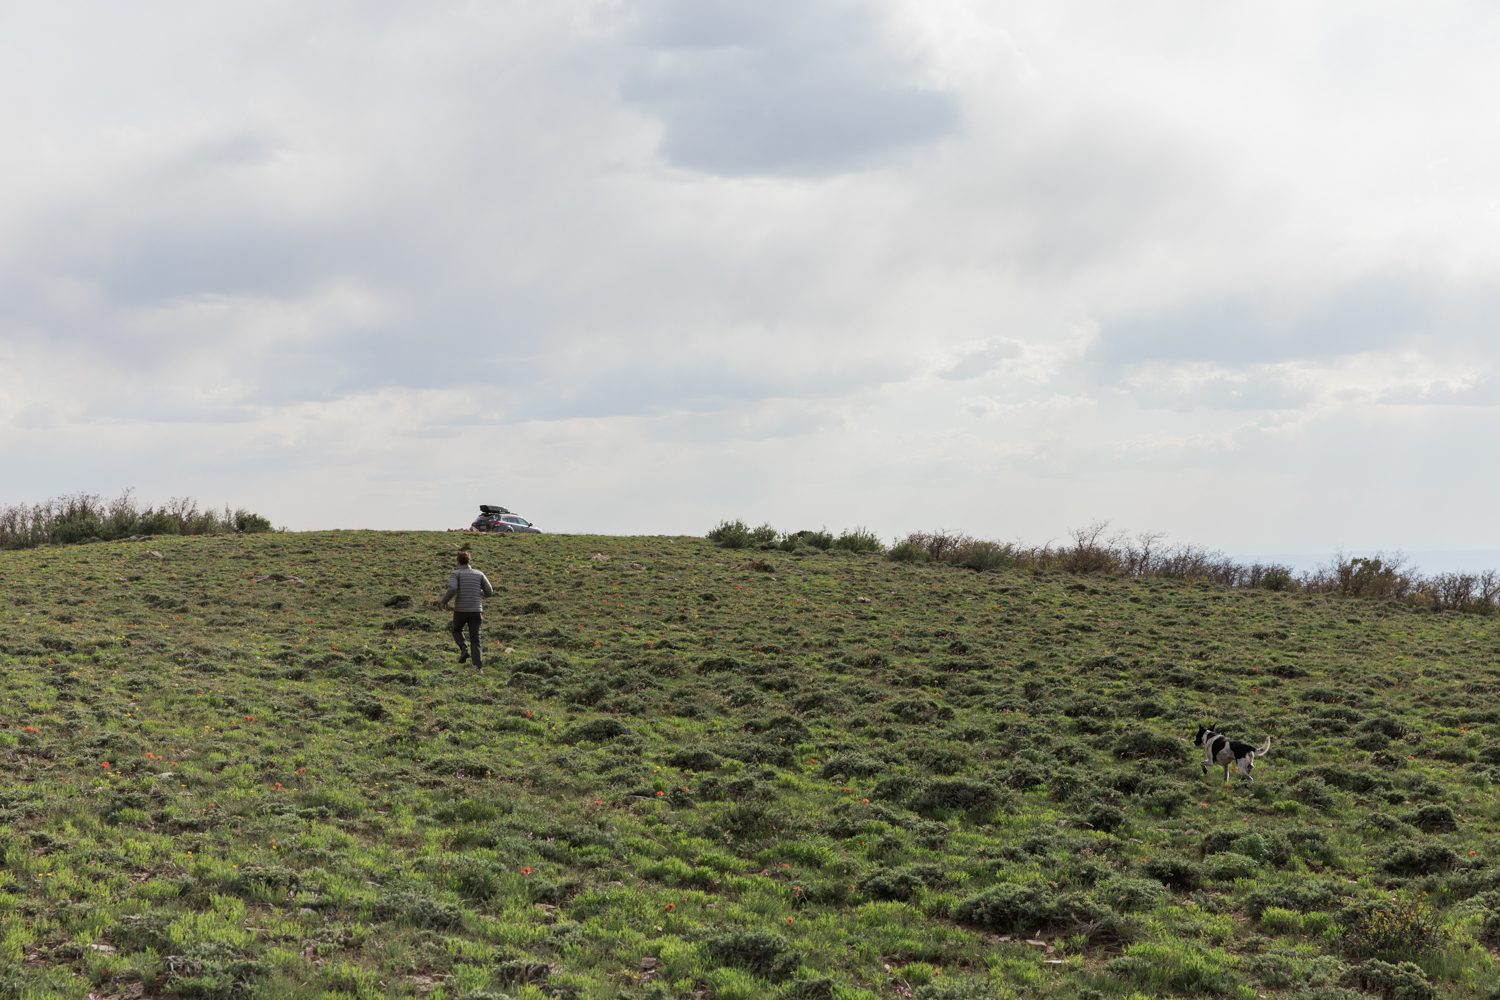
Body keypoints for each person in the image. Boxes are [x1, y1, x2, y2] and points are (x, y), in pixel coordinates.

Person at [439, 551, 494, 668]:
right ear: (469, 561)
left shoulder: (456, 574)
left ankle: (463, 647)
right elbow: (489, 592)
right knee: (475, 639)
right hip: (476, 610)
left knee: (456, 630)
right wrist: (481, 593)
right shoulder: (479, 574)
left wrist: (444, 602)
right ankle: (477, 667)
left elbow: (452, 588)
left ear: (458, 562)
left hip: (461, 610)